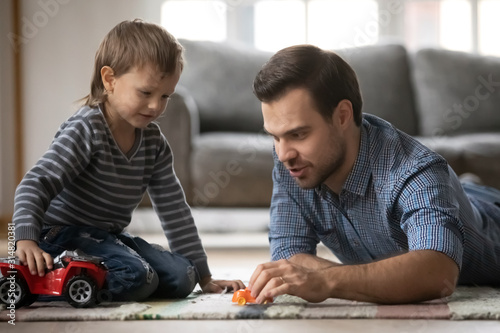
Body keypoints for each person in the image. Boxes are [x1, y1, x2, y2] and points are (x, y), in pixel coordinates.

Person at [247, 44, 500, 304]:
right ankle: (467, 186)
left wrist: (325, 280)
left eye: (298, 134)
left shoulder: (416, 170)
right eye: (275, 137)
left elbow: (437, 272)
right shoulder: (294, 161)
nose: (283, 154)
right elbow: (287, 256)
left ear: (342, 116)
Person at [13, 19, 244, 302]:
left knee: (184, 275)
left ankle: (121, 277)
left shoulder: (153, 142)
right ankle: (52, 282)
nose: (156, 106)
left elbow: (175, 211)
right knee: (136, 276)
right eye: (146, 93)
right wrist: (24, 239)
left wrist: (205, 277)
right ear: (109, 80)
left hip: (107, 237)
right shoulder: (86, 129)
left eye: (165, 96)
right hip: (60, 236)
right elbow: (34, 184)